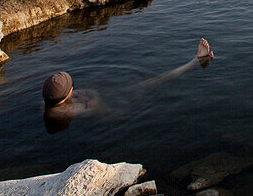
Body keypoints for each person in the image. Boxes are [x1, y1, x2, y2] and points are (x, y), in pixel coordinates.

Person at [41, 38, 214, 132]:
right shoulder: (70, 111)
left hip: (112, 100)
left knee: (149, 83)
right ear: (67, 92)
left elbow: (89, 94)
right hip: (120, 111)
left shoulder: (48, 101)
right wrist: (92, 98)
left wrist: (89, 96)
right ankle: (196, 61)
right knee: (153, 83)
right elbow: (97, 104)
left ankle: (196, 60)